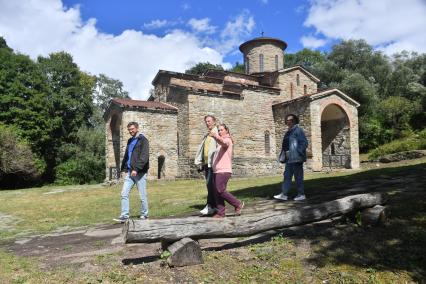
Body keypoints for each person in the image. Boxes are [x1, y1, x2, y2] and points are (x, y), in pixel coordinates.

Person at [113, 122, 149, 223]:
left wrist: (136, 169)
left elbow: (144, 157)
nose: (130, 131)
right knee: (124, 193)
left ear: (137, 128)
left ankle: (144, 214)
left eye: (132, 129)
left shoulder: (143, 140)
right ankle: (124, 216)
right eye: (129, 130)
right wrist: (124, 168)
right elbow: (127, 156)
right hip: (130, 173)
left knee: (142, 195)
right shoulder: (130, 140)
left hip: (139, 173)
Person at [209, 123, 244, 218]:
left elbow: (223, 143)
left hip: (224, 171)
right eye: (219, 130)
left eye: (221, 130)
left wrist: (215, 136)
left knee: (220, 190)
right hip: (217, 171)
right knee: (216, 192)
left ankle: (238, 204)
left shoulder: (228, 140)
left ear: (227, 131)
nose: (220, 132)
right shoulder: (219, 143)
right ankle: (221, 212)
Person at [274, 114, 308, 201]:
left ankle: (301, 194)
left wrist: (298, 152)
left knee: (298, 176)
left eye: (290, 120)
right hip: (289, 158)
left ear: (294, 121)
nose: (288, 122)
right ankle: (284, 194)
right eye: (287, 120)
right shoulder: (289, 132)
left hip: (296, 158)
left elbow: (304, 143)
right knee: (287, 176)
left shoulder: (298, 130)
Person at [195, 115, 218, 215]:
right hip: (207, 164)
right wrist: (200, 161)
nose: (207, 123)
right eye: (206, 121)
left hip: (213, 164)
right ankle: (214, 206)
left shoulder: (217, 133)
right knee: (210, 186)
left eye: (209, 121)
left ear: (214, 122)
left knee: (211, 185)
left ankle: (211, 206)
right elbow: (203, 149)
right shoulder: (207, 135)